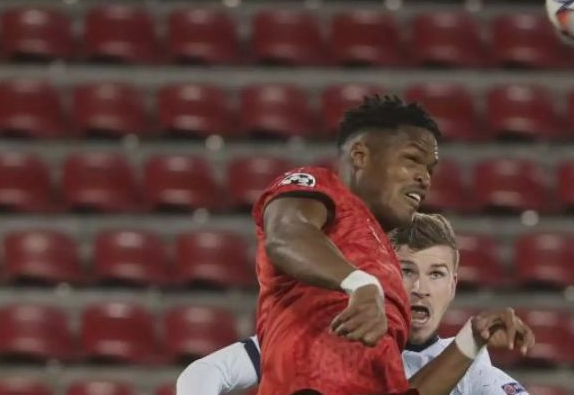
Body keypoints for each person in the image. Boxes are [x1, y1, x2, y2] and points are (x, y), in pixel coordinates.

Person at [247, 96, 533, 395]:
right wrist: (360, 284)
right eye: (411, 159)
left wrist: (471, 340)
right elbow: (286, 235)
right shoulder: (320, 189)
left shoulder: (386, 264)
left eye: (430, 169)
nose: (424, 178)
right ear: (360, 155)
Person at [176, 213, 530, 395]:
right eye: (407, 271)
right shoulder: (323, 337)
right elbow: (203, 374)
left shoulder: (471, 365)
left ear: (453, 285)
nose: (421, 287)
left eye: (436, 274)